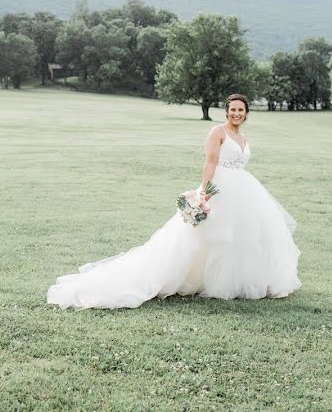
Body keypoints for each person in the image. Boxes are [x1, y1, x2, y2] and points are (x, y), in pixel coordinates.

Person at [47, 94, 301, 309]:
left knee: (244, 235)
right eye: (232, 109)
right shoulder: (217, 132)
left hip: (245, 190)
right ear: (226, 111)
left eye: (241, 110)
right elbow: (210, 162)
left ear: (246, 113)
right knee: (204, 236)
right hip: (220, 188)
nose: (236, 113)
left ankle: (239, 280)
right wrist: (205, 191)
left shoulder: (244, 139)